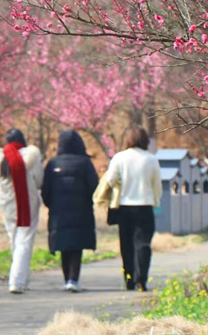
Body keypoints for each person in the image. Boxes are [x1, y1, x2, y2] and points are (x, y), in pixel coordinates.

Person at [98, 125, 161, 291]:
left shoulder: (119, 158)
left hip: (124, 207)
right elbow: (157, 186)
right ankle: (142, 279)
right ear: (145, 140)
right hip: (145, 206)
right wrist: (156, 201)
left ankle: (129, 278)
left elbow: (110, 179)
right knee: (143, 244)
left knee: (126, 244)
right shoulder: (151, 159)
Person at [42, 130, 99, 292]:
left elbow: (45, 190)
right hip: (81, 211)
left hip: (58, 213)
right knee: (76, 246)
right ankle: (73, 279)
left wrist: (51, 205)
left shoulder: (53, 163)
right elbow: (94, 186)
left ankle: (67, 278)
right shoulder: (85, 163)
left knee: (63, 245)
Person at [0, 129, 44, 294]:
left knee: (14, 238)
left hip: (6, 202)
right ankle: (17, 281)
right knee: (24, 240)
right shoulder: (31, 155)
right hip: (27, 201)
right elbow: (39, 179)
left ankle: (23, 278)